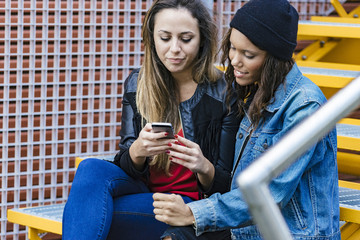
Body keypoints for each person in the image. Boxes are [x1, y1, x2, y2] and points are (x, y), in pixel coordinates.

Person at [153, 0, 341, 239]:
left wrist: (193, 213)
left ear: (274, 59)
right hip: (246, 231)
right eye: (232, 48)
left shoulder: (305, 107)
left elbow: (270, 192)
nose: (234, 60)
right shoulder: (256, 92)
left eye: (248, 54)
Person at [62, 0, 240, 239]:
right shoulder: (137, 83)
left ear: (202, 40)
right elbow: (125, 164)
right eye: (165, 38)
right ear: (152, 38)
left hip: (189, 204)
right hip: (143, 192)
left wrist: (203, 166)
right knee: (90, 169)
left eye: (186, 39)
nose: (174, 49)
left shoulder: (224, 91)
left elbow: (228, 184)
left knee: (88, 214)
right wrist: (137, 151)